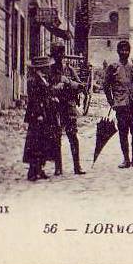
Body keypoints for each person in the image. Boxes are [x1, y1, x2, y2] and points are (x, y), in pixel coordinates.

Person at [103, 40, 133, 168]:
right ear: (118, 51)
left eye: (127, 50)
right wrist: (111, 102)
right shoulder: (113, 67)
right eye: (122, 50)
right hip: (121, 105)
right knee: (123, 132)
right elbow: (106, 85)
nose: (124, 52)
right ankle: (126, 159)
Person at [49, 44, 85, 175]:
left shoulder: (69, 70)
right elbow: (46, 89)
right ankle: (58, 167)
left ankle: (77, 166)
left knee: (73, 135)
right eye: (56, 54)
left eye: (61, 54)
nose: (59, 57)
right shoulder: (50, 70)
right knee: (56, 136)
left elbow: (81, 86)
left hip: (69, 106)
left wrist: (68, 82)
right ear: (53, 56)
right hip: (56, 107)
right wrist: (56, 87)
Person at [23, 56, 57, 181]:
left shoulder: (42, 78)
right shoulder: (34, 80)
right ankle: (32, 171)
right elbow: (35, 100)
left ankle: (39, 169)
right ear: (41, 68)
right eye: (47, 67)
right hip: (37, 115)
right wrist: (39, 114)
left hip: (44, 114)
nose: (49, 68)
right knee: (35, 143)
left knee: (42, 142)